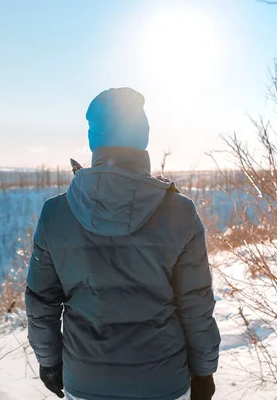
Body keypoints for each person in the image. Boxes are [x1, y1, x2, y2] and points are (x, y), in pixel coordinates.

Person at [25, 87, 220, 400]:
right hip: (163, 381)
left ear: (94, 142)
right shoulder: (179, 212)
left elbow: (42, 302)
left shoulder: (55, 213)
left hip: (86, 380)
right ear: (142, 138)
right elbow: (196, 303)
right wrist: (204, 370)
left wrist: (49, 362)